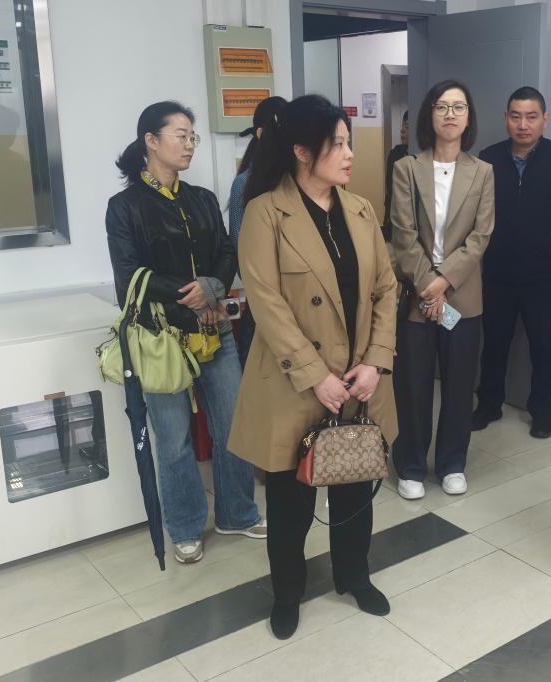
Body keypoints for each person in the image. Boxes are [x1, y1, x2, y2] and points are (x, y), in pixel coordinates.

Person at [227, 95, 399, 640]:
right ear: (302, 151)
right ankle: (287, 593)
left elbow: (386, 290)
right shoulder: (264, 213)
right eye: (338, 144)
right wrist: (316, 376)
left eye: (349, 143)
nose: (349, 154)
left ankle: (355, 576)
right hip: (295, 383)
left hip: (359, 380)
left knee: (355, 489)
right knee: (290, 502)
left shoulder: (361, 209)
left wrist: (376, 362)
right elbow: (267, 303)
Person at [106, 101, 266, 565]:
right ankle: (185, 526)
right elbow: (128, 278)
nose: (190, 144)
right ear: (150, 141)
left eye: (192, 136)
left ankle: (237, 513)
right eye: (181, 135)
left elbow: (227, 249)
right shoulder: (125, 207)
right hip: (162, 338)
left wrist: (213, 287)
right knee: (173, 438)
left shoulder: (201, 198)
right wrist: (191, 294)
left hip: (215, 329)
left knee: (233, 425)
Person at [389, 80, 494, 500]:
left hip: (462, 297)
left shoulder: (483, 171)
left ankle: (452, 463)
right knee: (412, 385)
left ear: (469, 118)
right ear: (429, 115)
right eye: (441, 107)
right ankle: (411, 465)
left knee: (458, 385)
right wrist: (426, 285)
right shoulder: (406, 168)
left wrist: (444, 281)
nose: (450, 114)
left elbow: (480, 236)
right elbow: (402, 233)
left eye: (459, 107)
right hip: (417, 295)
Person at [474, 87, 551, 439]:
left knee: (543, 344)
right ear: (506, 118)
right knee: (494, 342)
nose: (523, 125)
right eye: (515, 116)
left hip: (543, 273)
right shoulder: (488, 158)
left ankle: (542, 410)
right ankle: (489, 404)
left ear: (544, 119)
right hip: (497, 271)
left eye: (531, 117)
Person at [227, 95, 288, 370]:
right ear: (261, 134)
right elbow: (241, 251)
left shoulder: (299, 179)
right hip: (264, 302)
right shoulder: (244, 183)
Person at [382, 110, 410, 241]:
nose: (402, 130)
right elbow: (391, 187)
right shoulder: (395, 153)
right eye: (403, 126)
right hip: (394, 218)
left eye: (407, 126)